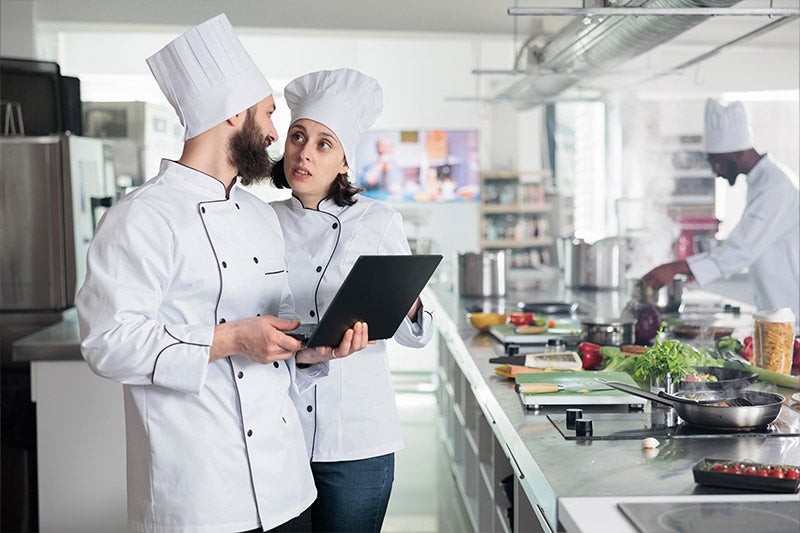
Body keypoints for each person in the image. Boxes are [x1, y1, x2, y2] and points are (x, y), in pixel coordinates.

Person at [75, 15, 368, 533]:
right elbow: (108, 343)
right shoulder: (141, 215)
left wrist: (307, 352)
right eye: (270, 115)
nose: (278, 134)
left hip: (287, 489)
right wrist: (230, 338)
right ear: (235, 114)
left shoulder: (258, 216)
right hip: (198, 495)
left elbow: (270, 342)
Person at [265, 68, 435, 532]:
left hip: (359, 435)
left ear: (344, 161)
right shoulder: (257, 221)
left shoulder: (379, 221)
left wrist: (409, 301)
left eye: (324, 143)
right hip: (278, 431)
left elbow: (415, 337)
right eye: (298, 137)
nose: (304, 153)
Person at [642, 99, 799, 320]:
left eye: (716, 162)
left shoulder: (775, 187)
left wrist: (677, 267)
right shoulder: (761, 181)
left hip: (792, 311)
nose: (716, 172)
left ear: (736, 154)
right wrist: (691, 269)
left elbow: (741, 250)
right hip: (778, 311)